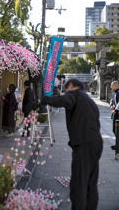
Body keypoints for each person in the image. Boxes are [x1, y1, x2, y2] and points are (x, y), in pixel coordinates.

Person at [39, 78, 103, 210]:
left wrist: (43, 100)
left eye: (65, 90)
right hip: (96, 143)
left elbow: (63, 100)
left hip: (84, 144)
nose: (65, 93)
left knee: (79, 184)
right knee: (91, 182)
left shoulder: (75, 94)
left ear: (72, 86)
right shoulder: (89, 100)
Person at [110, 81, 119, 150]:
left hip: (117, 114)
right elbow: (112, 101)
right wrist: (111, 105)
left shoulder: (118, 92)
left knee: (117, 130)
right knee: (115, 130)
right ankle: (117, 144)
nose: (111, 87)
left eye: (112, 86)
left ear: (116, 85)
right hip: (115, 113)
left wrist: (115, 110)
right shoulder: (116, 93)